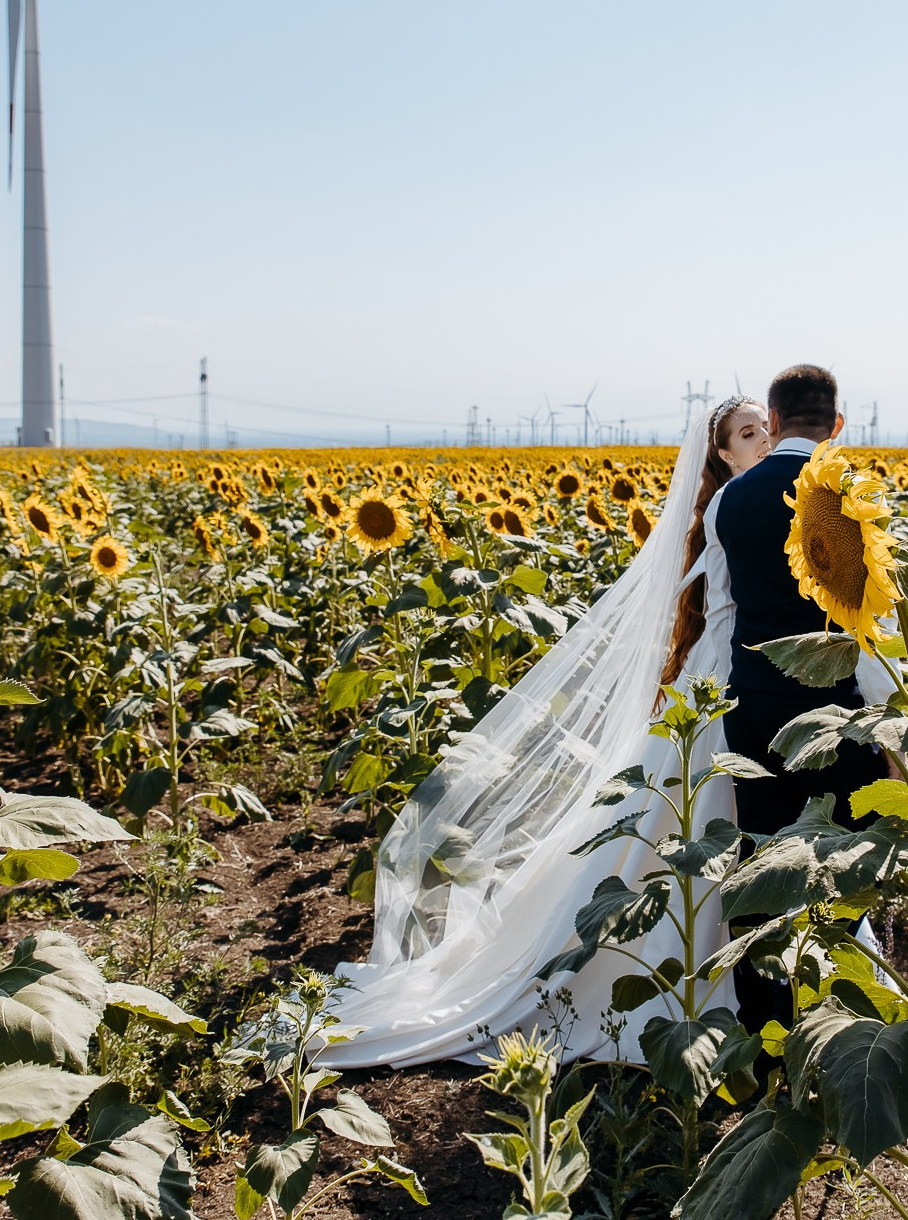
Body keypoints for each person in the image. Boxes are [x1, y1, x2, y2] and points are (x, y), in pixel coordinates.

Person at [317, 397, 778, 1068]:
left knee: (703, 816)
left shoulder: (754, 498)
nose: (763, 437)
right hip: (723, 675)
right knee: (693, 817)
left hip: (738, 667)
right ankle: (694, 977)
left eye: (766, 426)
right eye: (746, 432)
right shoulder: (734, 505)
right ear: (722, 454)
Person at [712, 363, 890, 1031]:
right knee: (846, 867)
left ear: (776, 423)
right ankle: (838, 1014)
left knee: (758, 863)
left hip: (752, 706)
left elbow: (725, 610)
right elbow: (868, 623)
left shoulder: (732, 498)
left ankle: (765, 1028)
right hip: (836, 710)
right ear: (838, 424)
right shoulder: (851, 493)